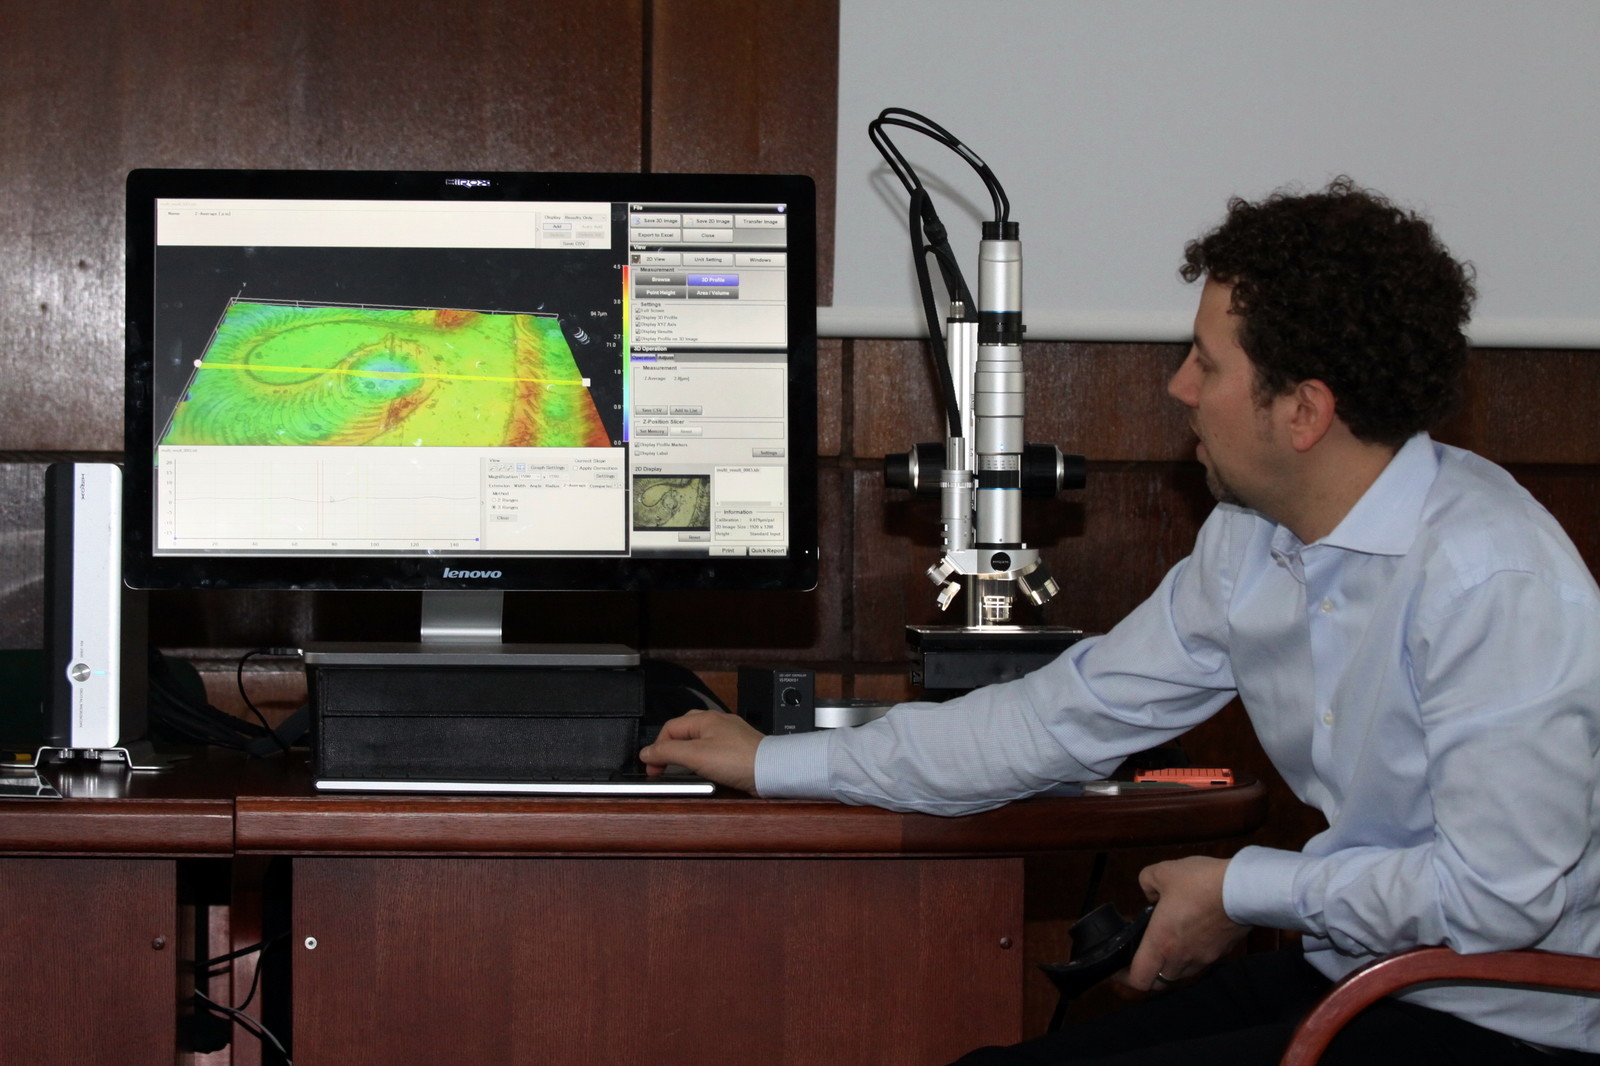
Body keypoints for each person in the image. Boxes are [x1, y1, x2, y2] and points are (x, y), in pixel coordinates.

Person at [639, 178, 1600, 1065]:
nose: (1179, 387)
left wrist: (1242, 888)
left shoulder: (1490, 581)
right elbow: (1056, 720)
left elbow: (1497, 902)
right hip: (1360, 973)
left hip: (1509, 1018)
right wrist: (774, 761)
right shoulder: (1249, 540)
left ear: (1304, 412)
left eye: (1206, 363)